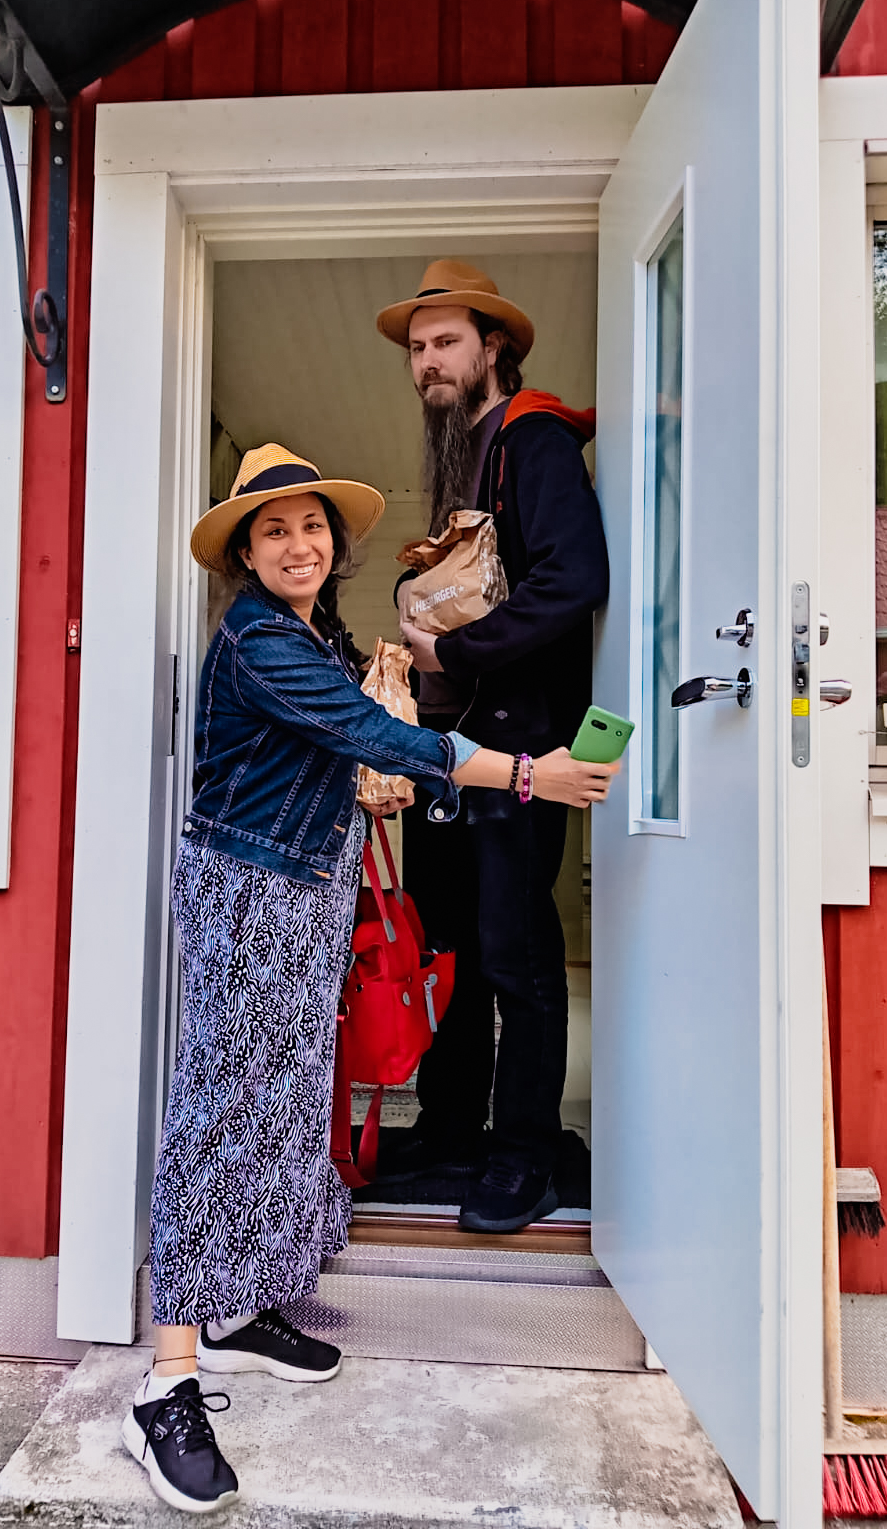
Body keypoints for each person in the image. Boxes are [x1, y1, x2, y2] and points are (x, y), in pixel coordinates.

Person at [123, 442, 616, 1513]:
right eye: (273, 531)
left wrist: (365, 792)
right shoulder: (259, 639)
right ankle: (168, 1376)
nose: (298, 545)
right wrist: (534, 772)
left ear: (331, 545)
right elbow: (372, 731)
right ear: (244, 556)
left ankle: (239, 1303)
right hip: (249, 895)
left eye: (311, 528)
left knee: (292, 1103)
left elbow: (335, 758)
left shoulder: (312, 631)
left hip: (300, 891)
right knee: (219, 1115)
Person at [375, 258, 610, 1234]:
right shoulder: (463, 451)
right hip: (450, 749)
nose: (429, 361)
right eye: (418, 348)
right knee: (452, 948)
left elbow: (573, 579)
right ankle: (450, 1125)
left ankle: (524, 1152)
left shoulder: (533, 437)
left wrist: (455, 645)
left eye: (447, 342)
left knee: (519, 957)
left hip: (521, 747)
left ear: (494, 348)